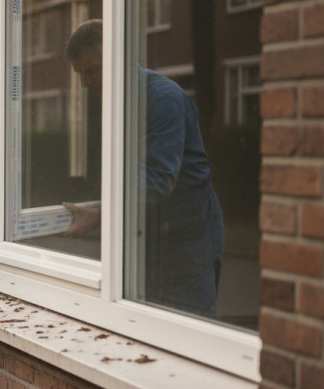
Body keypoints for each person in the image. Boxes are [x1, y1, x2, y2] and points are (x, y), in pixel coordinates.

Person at [62, 20, 224, 319]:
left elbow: (156, 179)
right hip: (149, 226)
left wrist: (102, 214)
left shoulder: (163, 99)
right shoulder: (116, 101)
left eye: (91, 71)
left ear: (118, 58)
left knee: (187, 322)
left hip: (186, 232)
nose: (85, 83)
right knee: (145, 317)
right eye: (79, 74)